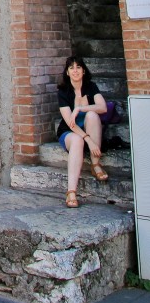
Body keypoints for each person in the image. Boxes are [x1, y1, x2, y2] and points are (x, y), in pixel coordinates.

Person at [57, 54, 109, 208]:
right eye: (71, 68)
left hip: (89, 127)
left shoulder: (90, 87)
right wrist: (89, 140)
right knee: (77, 140)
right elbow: (70, 123)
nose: (75, 71)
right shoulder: (63, 91)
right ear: (67, 72)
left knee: (92, 115)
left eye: (78, 67)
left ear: (84, 71)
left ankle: (95, 164)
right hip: (69, 132)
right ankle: (71, 191)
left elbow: (103, 107)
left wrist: (80, 108)